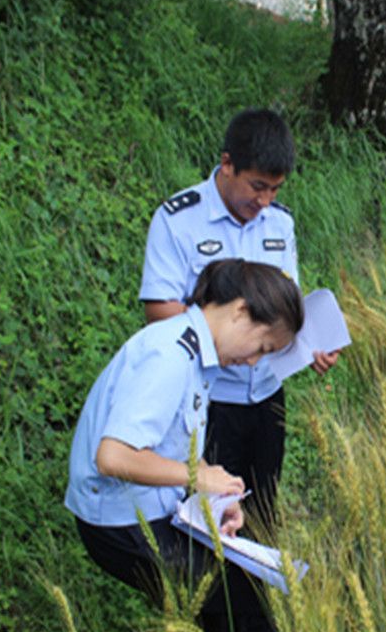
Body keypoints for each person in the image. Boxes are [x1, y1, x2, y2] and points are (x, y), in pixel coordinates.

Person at [66, 259, 306, 632]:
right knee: (250, 600)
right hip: (118, 524)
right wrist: (197, 478)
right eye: (262, 346)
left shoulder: (190, 354)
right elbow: (113, 455)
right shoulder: (170, 357)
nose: (254, 363)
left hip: (145, 514)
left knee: (214, 619)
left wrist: (214, 498)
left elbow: (165, 452)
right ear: (240, 312)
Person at [140, 109, 338, 529]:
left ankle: (258, 571)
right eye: (257, 186)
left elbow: (284, 305)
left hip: (267, 396)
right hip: (207, 401)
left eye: (275, 189)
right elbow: (159, 312)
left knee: (261, 511)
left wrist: (310, 344)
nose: (264, 201)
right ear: (227, 164)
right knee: (206, 518)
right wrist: (226, 335)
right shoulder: (178, 220)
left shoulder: (280, 223)